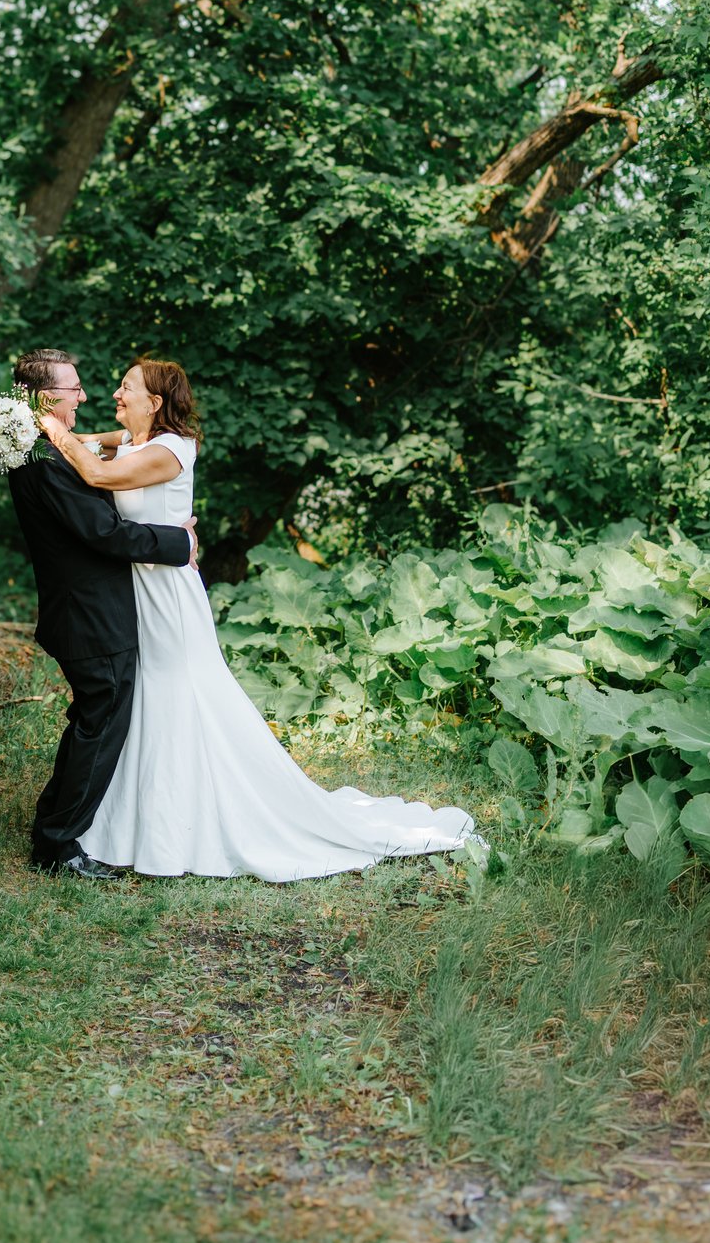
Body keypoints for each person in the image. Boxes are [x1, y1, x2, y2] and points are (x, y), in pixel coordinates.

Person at [37, 357, 481, 881]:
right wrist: (59, 424)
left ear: (155, 403)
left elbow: (94, 471)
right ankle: (127, 819)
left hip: (167, 595)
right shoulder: (132, 439)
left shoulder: (169, 450)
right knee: (148, 702)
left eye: (126, 388)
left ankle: (194, 817)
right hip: (136, 590)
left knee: (184, 696)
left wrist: (50, 429)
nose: (114, 393)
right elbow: (98, 440)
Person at [6, 348, 196, 879]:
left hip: (91, 608)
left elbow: (116, 451)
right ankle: (58, 845)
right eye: (75, 389)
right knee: (100, 720)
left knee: (93, 720)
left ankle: (59, 828)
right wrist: (179, 543)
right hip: (92, 612)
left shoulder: (39, 449)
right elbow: (104, 534)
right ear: (47, 398)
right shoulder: (45, 459)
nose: (86, 397)